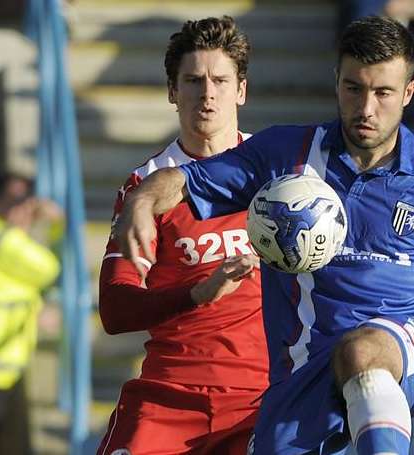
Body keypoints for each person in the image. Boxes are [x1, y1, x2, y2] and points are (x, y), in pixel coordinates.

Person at [115, 16, 414, 455]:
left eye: (383, 93)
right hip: (303, 367)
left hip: (405, 339)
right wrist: (142, 201)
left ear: (408, 94)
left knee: (362, 353)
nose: (367, 108)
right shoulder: (286, 155)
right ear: (336, 81)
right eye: (354, 88)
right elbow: (185, 180)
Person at [96, 16, 269, 455]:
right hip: (169, 395)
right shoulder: (144, 187)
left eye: (220, 80)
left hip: (260, 400)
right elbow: (116, 311)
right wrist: (197, 294)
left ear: (241, 91)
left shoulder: (280, 179)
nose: (207, 93)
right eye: (193, 80)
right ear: (173, 92)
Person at [0, 173, 60, 455]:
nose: (19, 208)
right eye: (15, 200)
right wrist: (56, 224)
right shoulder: (5, 242)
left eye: (24, 201)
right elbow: (51, 268)